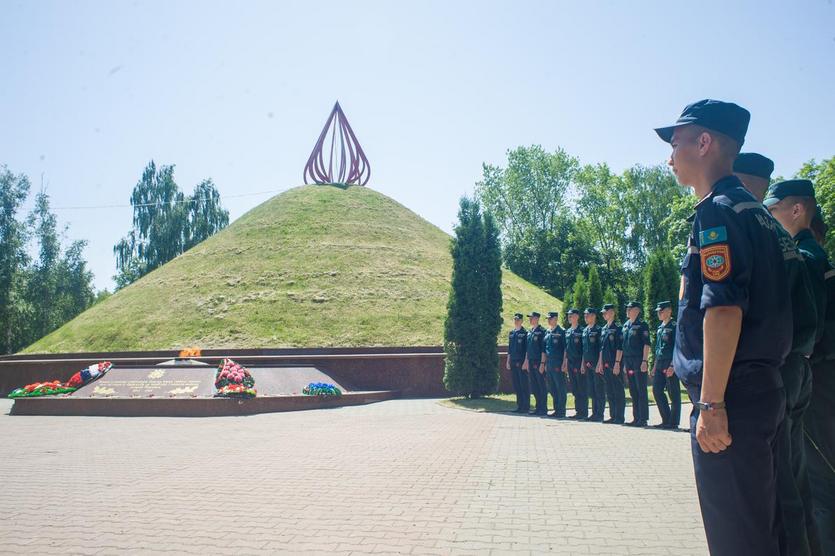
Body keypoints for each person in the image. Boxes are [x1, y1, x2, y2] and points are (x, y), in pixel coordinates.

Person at [655, 98, 791, 555]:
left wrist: (711, 404)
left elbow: (724, 310)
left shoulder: (718, 213)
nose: (670, 156)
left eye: (676, 143)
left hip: (731, 400)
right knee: (760, 530)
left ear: (705, 141)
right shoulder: (756, 214)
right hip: (762, 391)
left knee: (738, 540)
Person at [736, 155, 822, 555]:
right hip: (799, 367)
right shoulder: (796, 248)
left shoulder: (790, 248)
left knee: (784, 481)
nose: (769, 213)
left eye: (774, 207)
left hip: (789, 369)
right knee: (797, 481)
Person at [766, 179, 835, 555]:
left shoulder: (806, 258)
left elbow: (807, 328)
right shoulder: (814, 255)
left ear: (797, 211)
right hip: (821, 376)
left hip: (817, 377)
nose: (770, 219)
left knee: (814, 481)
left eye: (774, 211)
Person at [651, 301, 680, 430]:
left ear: (669, 311)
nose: (659, 313)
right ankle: (666, 419)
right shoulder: (660, 328)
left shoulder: (674, 326)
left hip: (670, 362)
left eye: (661, 311)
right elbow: (657, 349)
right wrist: (654, 365)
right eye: (658, 311)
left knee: (673, 393)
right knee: (656, 390)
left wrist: (673, 366)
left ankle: (673, 422)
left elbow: (677, 347)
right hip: (660, 362)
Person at [622, 301, 650, 427]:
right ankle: (636, 417)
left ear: (637, 310)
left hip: (639, 360)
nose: (627, 310)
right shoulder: (626, 325)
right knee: (633, 389)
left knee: (641, 389)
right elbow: (623, 346)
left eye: (630, 308)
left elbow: (646, 344)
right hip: (628, 360)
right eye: (627, 308)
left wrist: (645, 361)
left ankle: (643, 418)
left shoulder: (642, 325)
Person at [600, 303, 625, 424]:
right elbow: (602, 348)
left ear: (612, 312)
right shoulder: (604, 328)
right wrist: (600, 363)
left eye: (606, 312)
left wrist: (617, 363)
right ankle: (612, 415)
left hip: (614, 363)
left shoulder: (618, 328)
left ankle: (619, 416)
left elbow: (620, 348)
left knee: (618, 390)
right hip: (605, 363)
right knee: (609, 390)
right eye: (603, 313)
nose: (604, 314)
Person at [582, 308, 605, 422]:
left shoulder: (599, 330)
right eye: (585, 315)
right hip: (587, 364)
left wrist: (600, 363)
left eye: (588, 315)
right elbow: (584, 350)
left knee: (598, 389)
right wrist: (582, 364)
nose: (585, 317)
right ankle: (594, 413)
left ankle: (599, 414)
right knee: (591, 389)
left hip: (596, 364)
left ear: (594, 316)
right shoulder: (585, 330)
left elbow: (601, 348)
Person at [544, 311, 568, 419]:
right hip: (549, 363)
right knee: (552, 387)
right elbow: (545, 349)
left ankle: (561, 411)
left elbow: (565, 349)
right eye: (548, 318)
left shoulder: (561, 331)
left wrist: (564, 362)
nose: (548, 320)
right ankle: (556, 409)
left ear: (556, 319)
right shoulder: (547, 331)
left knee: (560, 387)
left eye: (550, 318)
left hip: (558, 363)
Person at [524, 312, 548, 416]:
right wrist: (527, 362)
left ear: (537, 318)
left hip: (539, 362)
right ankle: (538, 407)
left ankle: (543, 408)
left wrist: (542, 363)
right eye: (529, 318)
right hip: (531, 361)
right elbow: (528, 349)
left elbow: (543, 349)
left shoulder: (542, 331)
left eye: (532, 318)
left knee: (541, 386)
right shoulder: (529, 332)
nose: (530, 319)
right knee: (534, 386)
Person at [563, 308, 586, 419]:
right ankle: (578, 411)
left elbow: (584, 350)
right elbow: (566, 349)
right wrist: (565, 363)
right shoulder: (567, 331)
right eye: (568, 316)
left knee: (581, 387)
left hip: (579, 362)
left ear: (577, 316)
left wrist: (583, 364)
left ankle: (583, 412)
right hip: (570, 363)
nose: (569, 317)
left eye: (571, 315)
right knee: (575, 388)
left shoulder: (582, 331)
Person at [507, 313, 529, 414]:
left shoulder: (524, 333)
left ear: (521, 321)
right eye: (515, 319)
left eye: (518, 319)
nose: (516, 321)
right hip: (513, 361)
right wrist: (508, 361)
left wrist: (525, 361)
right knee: (516, 384)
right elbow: (510, 349)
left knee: (523, 384)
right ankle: (519, 406)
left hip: (521, 361)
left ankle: (526, 406)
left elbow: (526, 350)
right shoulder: (512, 333)